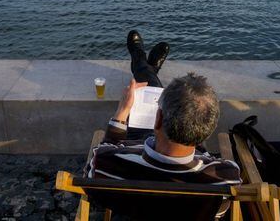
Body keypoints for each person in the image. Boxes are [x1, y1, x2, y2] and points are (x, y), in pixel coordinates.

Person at [85, 30, 241, 220]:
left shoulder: (108, 164)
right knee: (155, 85)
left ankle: (140, 60)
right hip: (187, 155)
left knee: (147, 91)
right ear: (207, 131)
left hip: (137, 146)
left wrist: (122, 112)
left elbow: (94, 171)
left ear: (157, 120)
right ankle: (147, 66)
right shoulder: (225, 179)